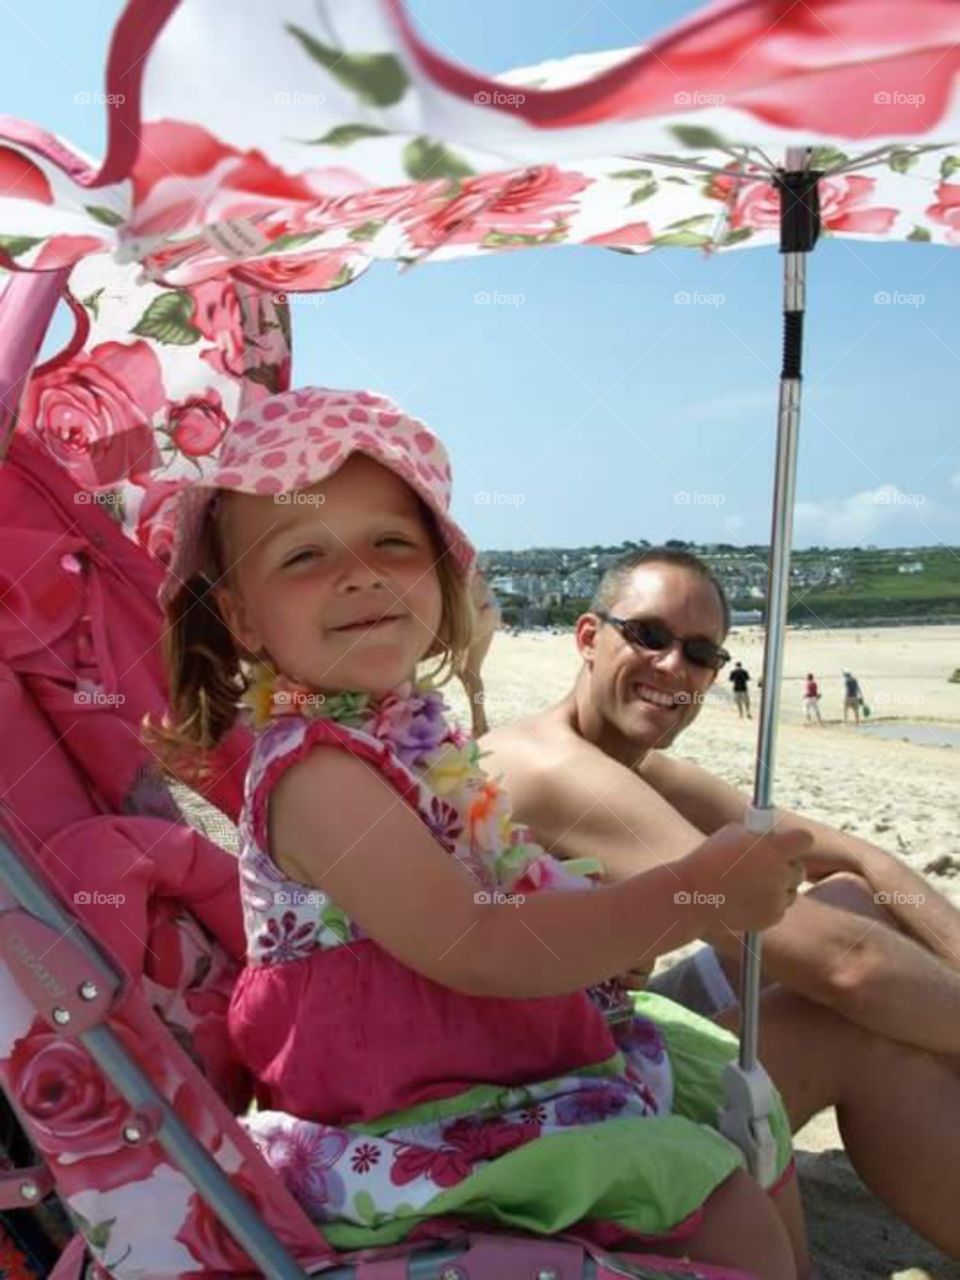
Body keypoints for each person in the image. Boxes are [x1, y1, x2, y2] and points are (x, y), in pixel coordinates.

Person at [149, 390, 812, 1280]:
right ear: (242, 620)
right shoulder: (317, 776)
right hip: (406, 1115)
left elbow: (502, 886)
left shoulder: (405, 737)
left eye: (392, 543)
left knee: (728, 1091)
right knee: (718, 1194)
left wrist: (594, 923)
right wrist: (693, 895)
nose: (360, 573)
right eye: (305, 555)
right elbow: (475, 940)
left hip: (489, 1063)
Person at [480, 547, 960, 1259]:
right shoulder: (552, 770)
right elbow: (843, 965)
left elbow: (861, 859)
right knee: (856, 1028)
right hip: (522, 1108)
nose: (673, 666)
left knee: (854, 899)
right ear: (588, 638)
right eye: (647, 636)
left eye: (700, 653)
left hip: (594, 1034)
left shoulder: (643, 770)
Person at [459, 567, 500, 737]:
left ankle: (479, 727)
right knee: (470, 672)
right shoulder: (465, 557)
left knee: (466, 672)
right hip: (491, 606)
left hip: (476, 611)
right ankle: (481, 724)